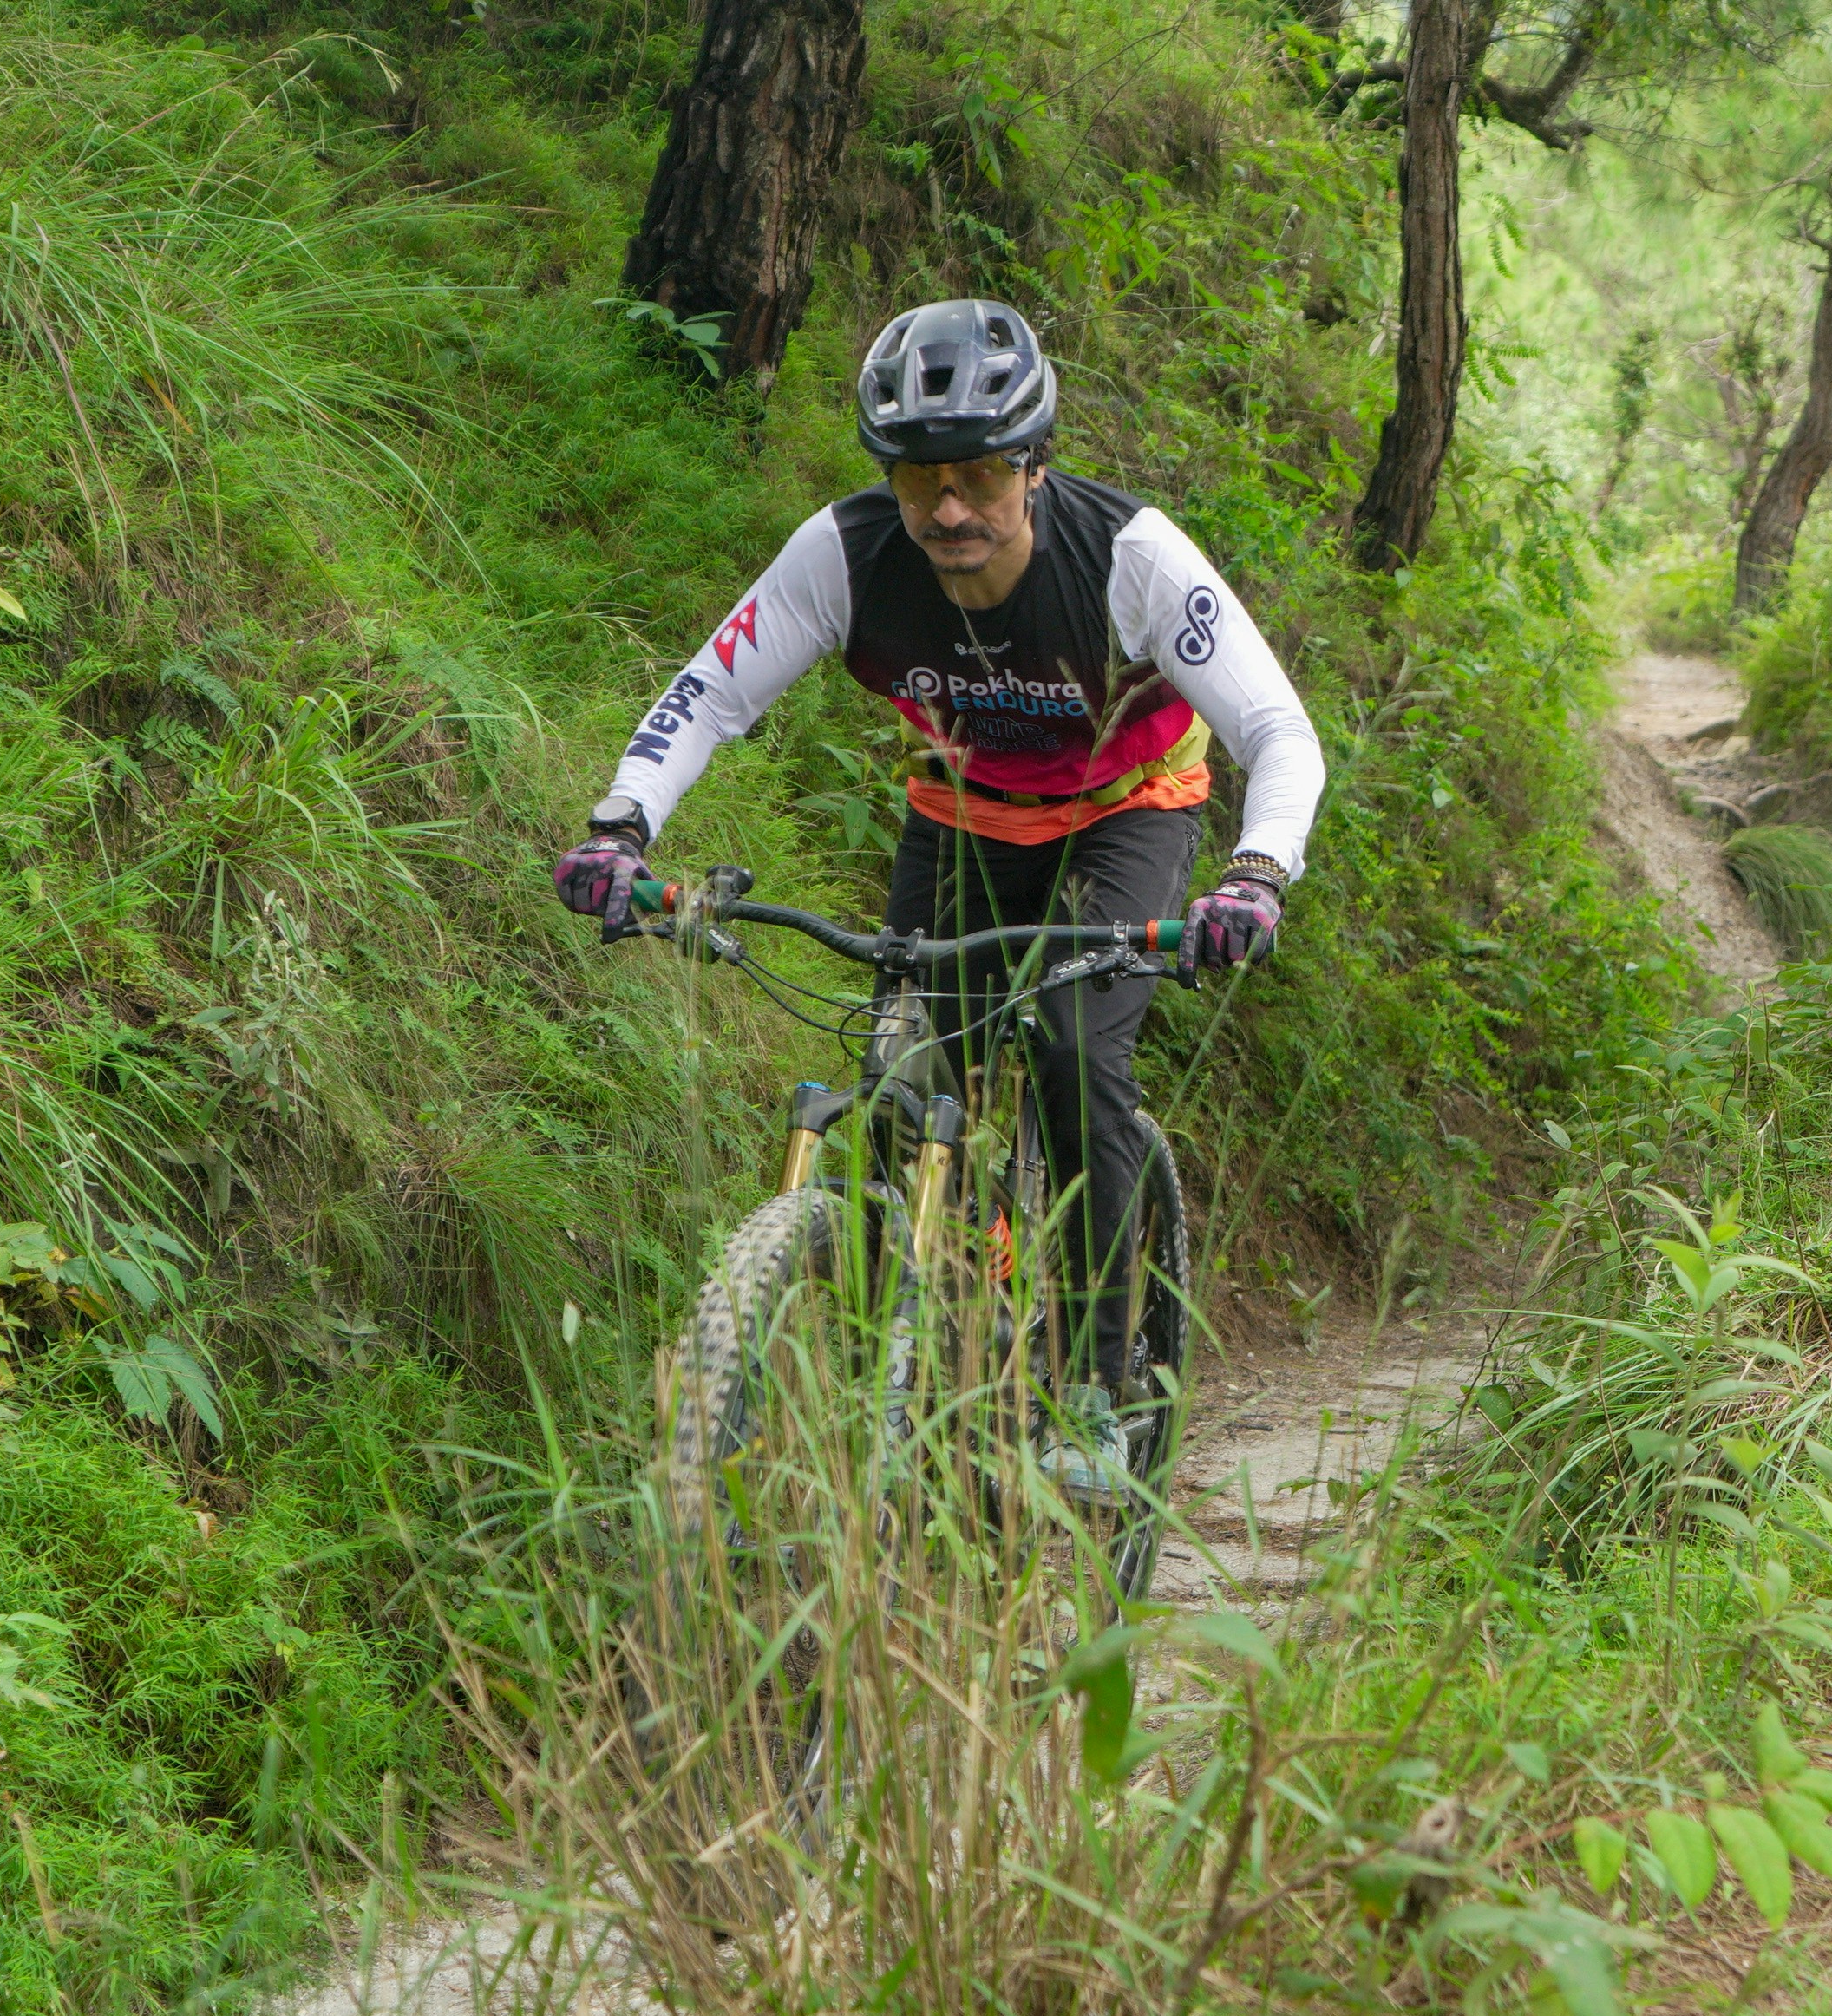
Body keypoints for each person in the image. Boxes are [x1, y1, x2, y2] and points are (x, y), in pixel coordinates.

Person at [550, 297, 1326, 1499]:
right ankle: (937, 1334)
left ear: (1033, 466)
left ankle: (1092, 1381)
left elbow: (1277, 728)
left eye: (974, 475)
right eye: (918, 482)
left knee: (1073, 1049)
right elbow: (705, 694)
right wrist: (618, 827)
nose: (946, 509)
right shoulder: (846, 554)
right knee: (906, 1070)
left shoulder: (1127, 557)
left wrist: (1255, 872)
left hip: (1129, 811)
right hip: (961, 813)